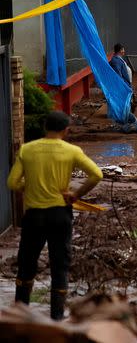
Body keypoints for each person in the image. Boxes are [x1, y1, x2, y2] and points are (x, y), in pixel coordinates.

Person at [7, 111, 103, 320]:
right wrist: (76, 194)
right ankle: (57, 317)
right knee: (60, 265)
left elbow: (12, 183)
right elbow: (97, 174)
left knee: (26, 263)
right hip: (60, 215)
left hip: (34, 217)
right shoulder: (71, 151)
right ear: (66, 130)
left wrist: (30, 186)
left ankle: (20, 313)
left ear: (44, 128)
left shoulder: (27, 150)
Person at [109, 43, 137, 114]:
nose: (124, 51)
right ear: (120, 50)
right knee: (123, 101)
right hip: (123, 85)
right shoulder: (115, 61)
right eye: (123, 49)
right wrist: (123, 86)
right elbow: (118, 76)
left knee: (129, 101)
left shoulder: (118, 59)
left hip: (126, 83)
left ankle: (126, 112)